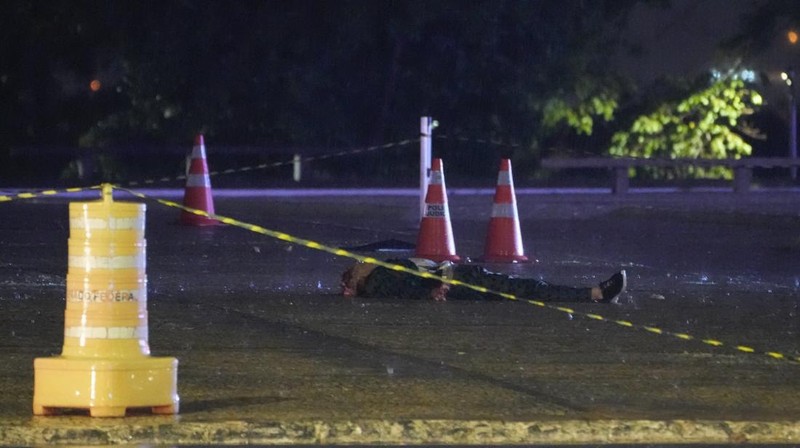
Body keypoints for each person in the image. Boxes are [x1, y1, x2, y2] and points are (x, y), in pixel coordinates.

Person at [340, 258, 626, 303]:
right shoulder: (378, 279)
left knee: (525, 288)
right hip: (454, 280)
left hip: (451, 276)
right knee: (526, 288)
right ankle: (596, 293)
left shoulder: (380, 273)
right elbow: (407, 286)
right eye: (357, 266)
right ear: (356, 278)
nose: (363, 262)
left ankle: (594, 292)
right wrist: (436, 289)